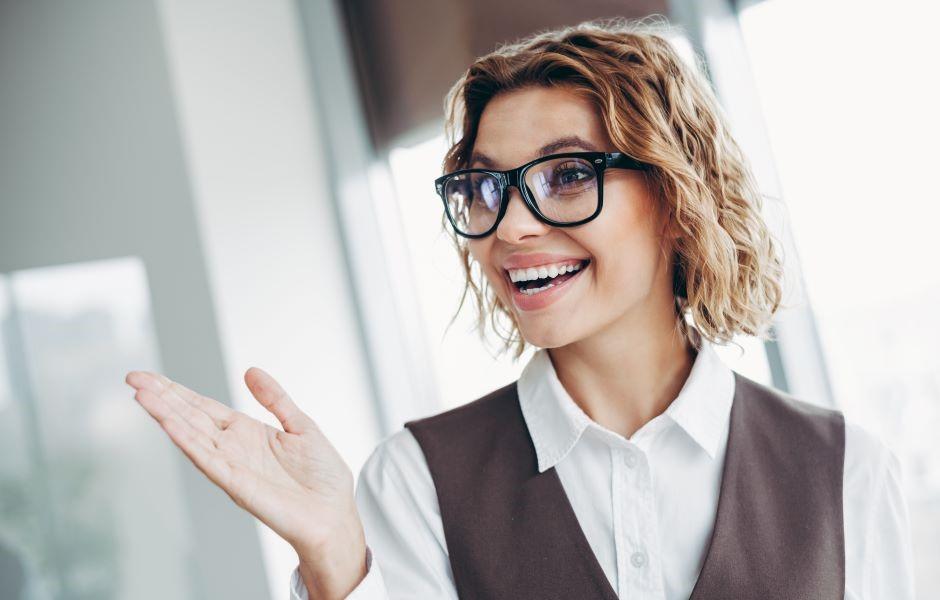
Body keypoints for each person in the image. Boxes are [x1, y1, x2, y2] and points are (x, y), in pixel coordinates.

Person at [124, 16, 915, 600]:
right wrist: (337, 557)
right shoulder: (416, 480)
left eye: (568, 174)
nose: (514, 225)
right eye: (485, 187)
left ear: (677, 195)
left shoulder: (847, 470)